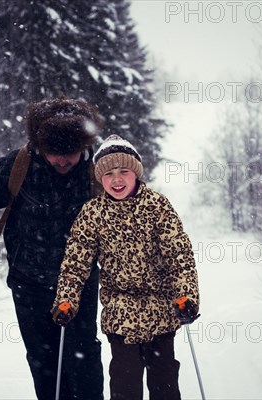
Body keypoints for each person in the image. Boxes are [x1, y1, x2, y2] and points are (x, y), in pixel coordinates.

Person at [0, 98, 104, 400]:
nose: (63, 162)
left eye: (70, 155)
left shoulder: (98, 172)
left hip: (81, 285)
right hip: (29, 283)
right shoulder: (17, 165)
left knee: (83, 359)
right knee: (43, 361)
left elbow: (128, 222)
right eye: (55, 155)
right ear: (40, 147)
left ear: (83, 148)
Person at [52, 134, 200, 400]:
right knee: (125, 386)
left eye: (123, 171)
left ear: (136, 174)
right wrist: (66, 299)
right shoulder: (92, 213)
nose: (116, 180)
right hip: (120, 314)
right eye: (108, 173)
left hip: (161, 311)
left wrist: (186, 295)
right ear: (100, 178)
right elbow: (76, 262)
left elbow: (179, 255)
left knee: (164, 384)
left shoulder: (157, 206)